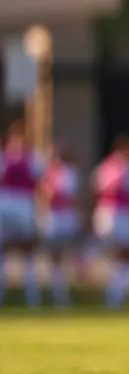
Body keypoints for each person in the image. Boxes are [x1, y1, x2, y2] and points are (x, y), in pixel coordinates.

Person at [93, 137, 129, 308]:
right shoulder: (122, 169)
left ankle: (115, 295)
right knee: (122, 255)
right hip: (114, 213)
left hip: (117, 213)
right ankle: (113, 295)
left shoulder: (115, 168)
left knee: (123, 257)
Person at [0, 122, 45, 307]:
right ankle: (31, 300)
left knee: (27, 253)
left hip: (15, 205)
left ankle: (31, 298)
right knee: (24, 253)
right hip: (17, 206)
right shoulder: (33, 158)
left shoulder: (28, 158)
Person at [39, 143, 82, 307]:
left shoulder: (69, 172)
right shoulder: (50, 173)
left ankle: (61, 292)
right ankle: (59, 294)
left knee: (63, 257)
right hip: (55, 217)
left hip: (65, 217)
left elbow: (72, 197)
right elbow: (46, 196)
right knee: (56, 259)